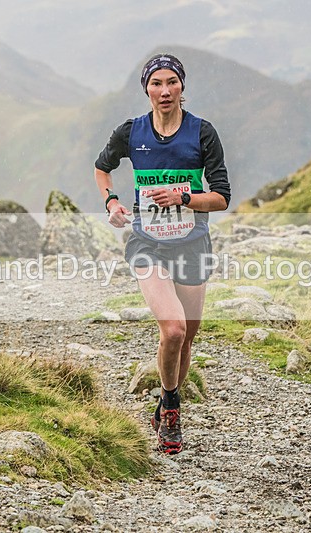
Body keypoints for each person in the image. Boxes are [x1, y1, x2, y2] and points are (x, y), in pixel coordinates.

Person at [94, 53, 231, 454]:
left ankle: (165, 398)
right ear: (146, 89)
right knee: (172, 329)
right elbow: (103, 169)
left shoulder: (202, 133)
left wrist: (184, 197)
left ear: (182, 87)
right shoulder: (131, 131)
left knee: (187, 337)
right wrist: (113, 203)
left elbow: (222, 197)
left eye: (172, 82)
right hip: (147, 243)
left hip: (191, 244)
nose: (165, 90)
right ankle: (172, 408)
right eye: (157, 83)